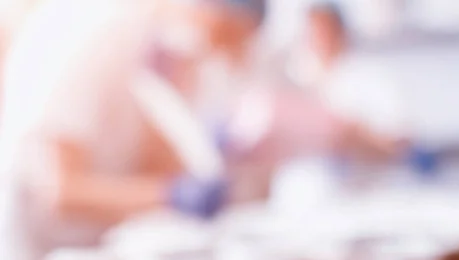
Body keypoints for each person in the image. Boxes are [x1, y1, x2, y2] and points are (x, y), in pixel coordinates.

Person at [0, 0, 266, 229]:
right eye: (224, 34)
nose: (218, 50)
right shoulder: (90, 30)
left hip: (98, 245)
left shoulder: (161, 47)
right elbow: (62, 191)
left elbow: (151, 155)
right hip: (39, 252)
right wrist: (171, 196)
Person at [282, 2, 412, 163]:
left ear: (341, 31)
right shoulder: (297, 79)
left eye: (324, 30)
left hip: (365, 179)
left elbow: (400, 142)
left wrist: (355, 133)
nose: (317, 38)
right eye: (312, 32)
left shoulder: (370, 78)